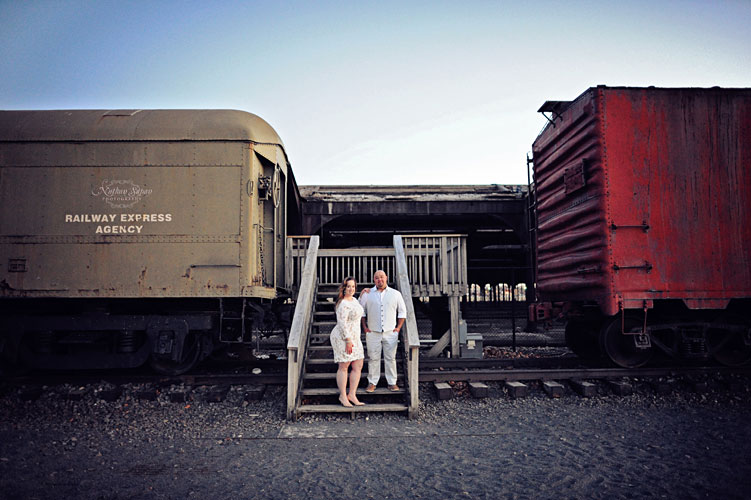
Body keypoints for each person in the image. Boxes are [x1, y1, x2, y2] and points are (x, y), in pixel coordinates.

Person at [359, 270, 407, 392]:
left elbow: (402, 312)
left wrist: (398, 328)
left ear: (386, 277)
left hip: (390, 332)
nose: (379, 280)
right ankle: (372, 382)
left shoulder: (396, 294)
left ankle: (392, 383)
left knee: (390, 358)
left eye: (381, 277)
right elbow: (360, 311)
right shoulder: (367, 294)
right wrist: (365, 328)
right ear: (374, 280)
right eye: (376, 278)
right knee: (373, 358)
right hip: (372, 332)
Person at [329, 277, 366, 407]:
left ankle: (352, 394)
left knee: (358, 365)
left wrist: (364, 293)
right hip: (343, 337)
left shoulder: (355, 300)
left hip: (355, 336)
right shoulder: (342, 303)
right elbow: (342, 323)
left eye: (353, 287)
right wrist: (347, 340)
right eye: (348, 286)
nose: (351, 289)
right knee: (344, 366)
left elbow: (358, 310)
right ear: (344, 288)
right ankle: (343, 396)